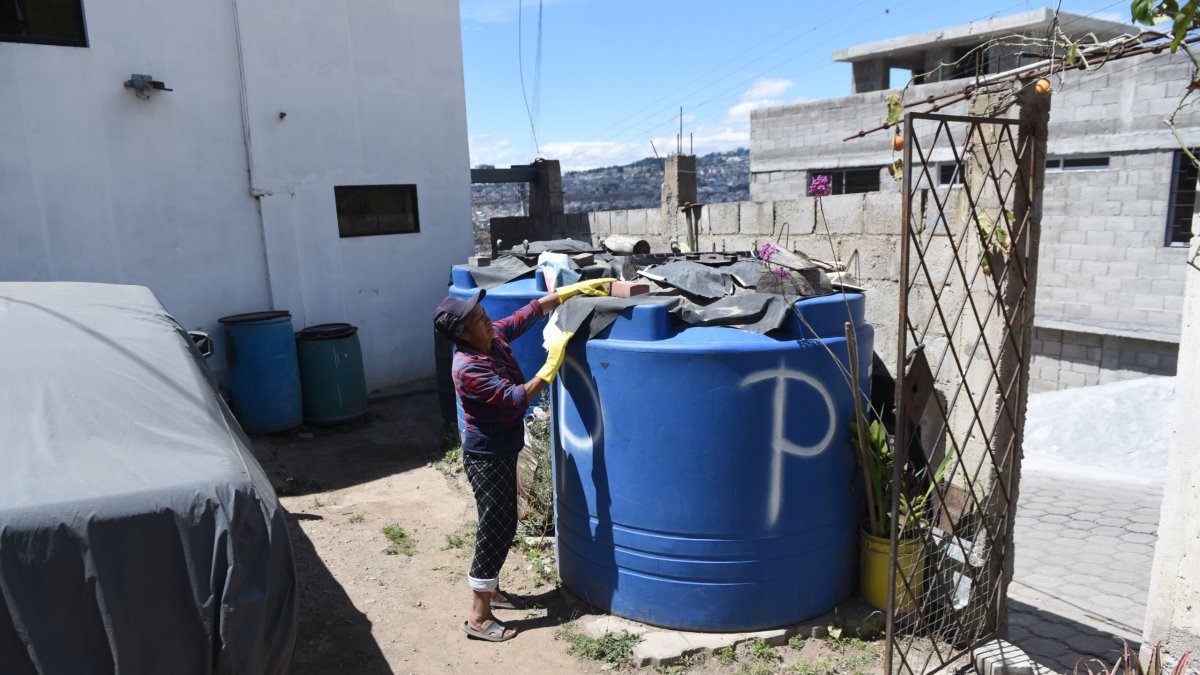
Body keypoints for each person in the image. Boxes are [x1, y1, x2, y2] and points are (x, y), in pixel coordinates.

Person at [433, 277, 613, 642]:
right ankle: (479, 617)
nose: (489, 321)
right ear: (464, 335)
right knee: (496, 526)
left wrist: (567, 294)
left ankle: (493, 592)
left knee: (501, 521)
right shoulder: (467, 367)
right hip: (487, 456)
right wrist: (549, 367)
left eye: (484, 315)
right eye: (479, 320)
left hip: (502, 447)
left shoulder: (491, 337)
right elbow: (515, 398)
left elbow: (526, 314)